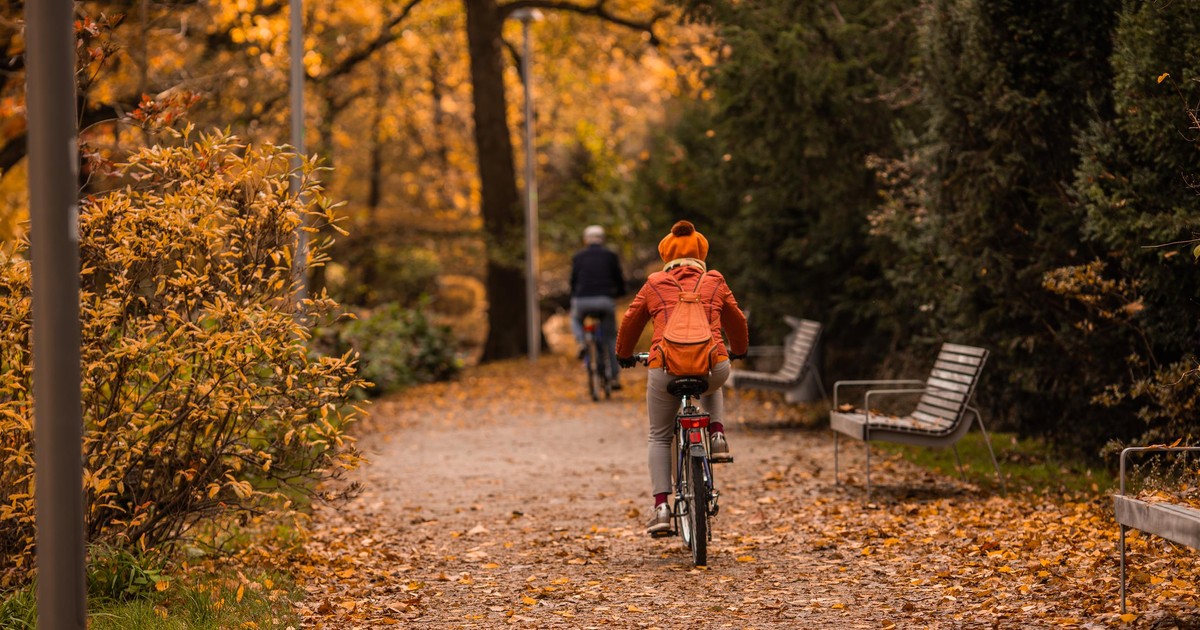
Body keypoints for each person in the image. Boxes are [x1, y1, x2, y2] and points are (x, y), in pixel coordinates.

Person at [615, 220, 748, 535]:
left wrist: (624, 354)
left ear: (666, 256)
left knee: (659, 436)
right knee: (712, 365)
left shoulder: (655, 283)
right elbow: (737, 321)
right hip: (711, 367)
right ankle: (716, 435)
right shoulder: (714, 281)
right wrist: (738, 350)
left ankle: (661, 507)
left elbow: (630, 321)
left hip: (665, 368)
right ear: (701, 253)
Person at [570, 224, 626, 389]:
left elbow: (573, 280)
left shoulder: (578, 256)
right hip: (605, 300)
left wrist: (574, 294)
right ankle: (614, 377)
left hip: (582, 300)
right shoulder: (610, 255)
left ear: (585, 240)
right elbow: (619, 277)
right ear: (602, 239)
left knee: (575, 318)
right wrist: (620, 292)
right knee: (609, 338)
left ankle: (581, 342)